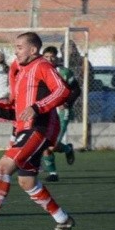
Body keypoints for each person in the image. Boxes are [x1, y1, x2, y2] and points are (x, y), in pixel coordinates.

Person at [0, 32, 75, 230]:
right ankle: (62, 219)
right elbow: (15, 111)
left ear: (33, 50)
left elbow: (63, 91)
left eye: (20, 47)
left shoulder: (42, 66)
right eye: (15, 47)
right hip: (26, 129)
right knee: (27, 181)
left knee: (3, 167)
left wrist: (38, 107)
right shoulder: (21, 71)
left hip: (40, 128)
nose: (16, 51)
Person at [40, 46, 81, 181]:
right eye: (46, 57)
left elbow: (76, 90)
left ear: (57, 58)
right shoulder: (40, 72)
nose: (49, 59)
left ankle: (68, 150)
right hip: (47, 110)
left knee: (52, 144)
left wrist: (67, 103)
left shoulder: (64, 72)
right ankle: (53, 174)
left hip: (61, 111)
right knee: (47, 143)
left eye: (52, 56)